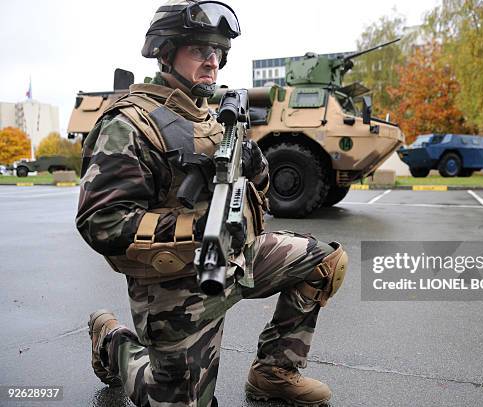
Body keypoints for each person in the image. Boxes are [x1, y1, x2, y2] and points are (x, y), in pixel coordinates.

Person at [75, 2, 347, 406]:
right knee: (176, 401)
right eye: (199, 50)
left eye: (217, 52)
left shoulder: (213, 117)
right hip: (177, 283)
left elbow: (260, 194)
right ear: (166, 52)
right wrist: (196, 229)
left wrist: (256, 166)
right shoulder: (130, 123)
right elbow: (100, 221)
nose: (212, 61)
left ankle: (274, 372)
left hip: (241, 256)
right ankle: (113, 342)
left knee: (325, 261)